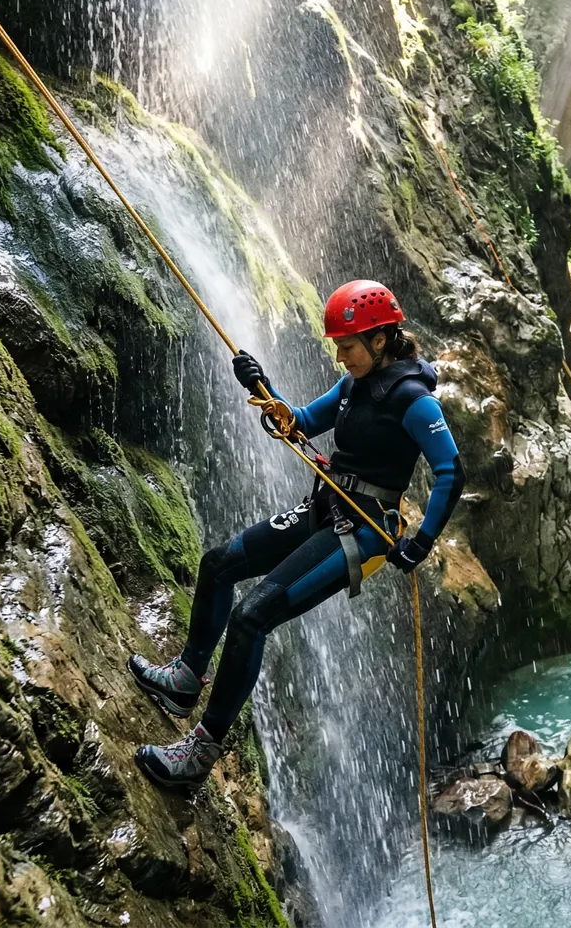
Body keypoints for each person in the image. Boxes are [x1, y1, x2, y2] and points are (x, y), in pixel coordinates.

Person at [129, 280, 462, 789]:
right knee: (218, 563)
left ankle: (200, 753)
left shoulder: (414, 400)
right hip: (325, 510)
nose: (340, 356)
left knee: (251, 616)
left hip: (364, 530)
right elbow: (300, 423)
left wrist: (422, 541)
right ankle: (185, 679)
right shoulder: (353, 386)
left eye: (346, 347)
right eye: (337, 347)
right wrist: (259, 386)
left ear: (379, 339)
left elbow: (451, 472)